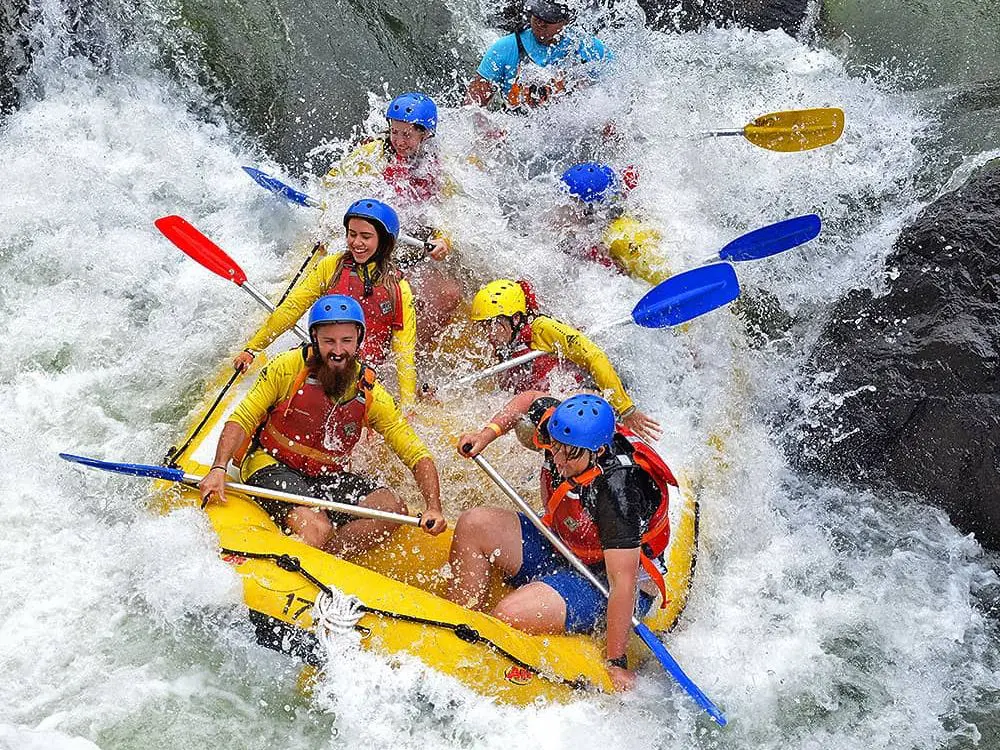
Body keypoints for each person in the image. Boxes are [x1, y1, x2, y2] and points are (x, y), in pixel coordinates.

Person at [449, 392, 678, 691]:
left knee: (509, 615)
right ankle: (454, 623)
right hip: (566, 544)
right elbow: (528, 400)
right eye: (556, 448)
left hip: (606, 581)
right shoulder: (561, 431)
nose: (558, 460)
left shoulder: (618, 492)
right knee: (472, 524)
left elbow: (623, 581)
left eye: (570, 454)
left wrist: (616, 662)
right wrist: (486, 434)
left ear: (596, 452)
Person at [201, 294, 447, 554]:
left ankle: (329, 558)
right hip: (273, 464)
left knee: (393, 507)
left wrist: (433, 505)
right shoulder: (286, 368)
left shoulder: (370, 392)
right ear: (315, 339)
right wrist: (218, 467)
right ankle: (313, 544)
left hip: (326, 476)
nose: (338, 351)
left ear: (358, 341)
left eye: (346, 341)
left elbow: (415, 453)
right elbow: (244, 417)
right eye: (329, 341)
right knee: (317, 528)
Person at [234, 198, 421, 407]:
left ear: (384, 242)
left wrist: (407, 405)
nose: (356, 243)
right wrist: (253, 349)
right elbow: (292, 308)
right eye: (352, 234)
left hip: (362, 376)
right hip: (323, 360)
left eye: (366, 236)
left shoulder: (398, 289)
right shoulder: (332, 266)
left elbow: (404, 350)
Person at [322, 92, 462, 347]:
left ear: (425, 134)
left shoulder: (438, 166)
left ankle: (407, 353)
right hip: (373, 243)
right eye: (394, 132)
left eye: (407, 134)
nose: (398, 140)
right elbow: (334, 182)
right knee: (382, 292)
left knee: (449, 294)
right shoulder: (374, 154)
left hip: (412, 245)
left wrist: (443, 240)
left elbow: (449, 209)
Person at [468, 278, 661, 443]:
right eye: (484, 326)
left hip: (586, 396)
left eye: (493, 325)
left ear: (516, 318)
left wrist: (626, 410)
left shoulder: (543, 329)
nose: (489, 333)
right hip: (546, 399)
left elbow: (595, 357)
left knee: (527, 426)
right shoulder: (506, 339)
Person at [466, 0, 611, 111]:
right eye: (537, 15)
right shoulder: (506, 48)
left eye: (548, 19)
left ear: (567, 21)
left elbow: (616, 95)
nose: (540, 22)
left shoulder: (589, 47)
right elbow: (470, 108)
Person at [557, 162, 669, 285]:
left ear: (590, 211)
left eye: (572, 204)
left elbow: (665, 279)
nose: (564, 209)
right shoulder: (618, 183)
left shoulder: (621, 236)